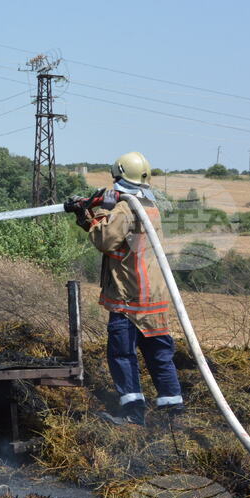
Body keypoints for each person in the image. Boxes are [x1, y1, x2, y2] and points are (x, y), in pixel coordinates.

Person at [66, 151, 183, 426]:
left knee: (122, 354)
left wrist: (86, 215)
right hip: (152, 295)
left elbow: (106, 240)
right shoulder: (149, 206)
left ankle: (132, 413)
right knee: (159, 353)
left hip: (128, 295)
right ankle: (173, 412)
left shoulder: (125, 208)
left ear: (118, 176)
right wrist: (97, 210)